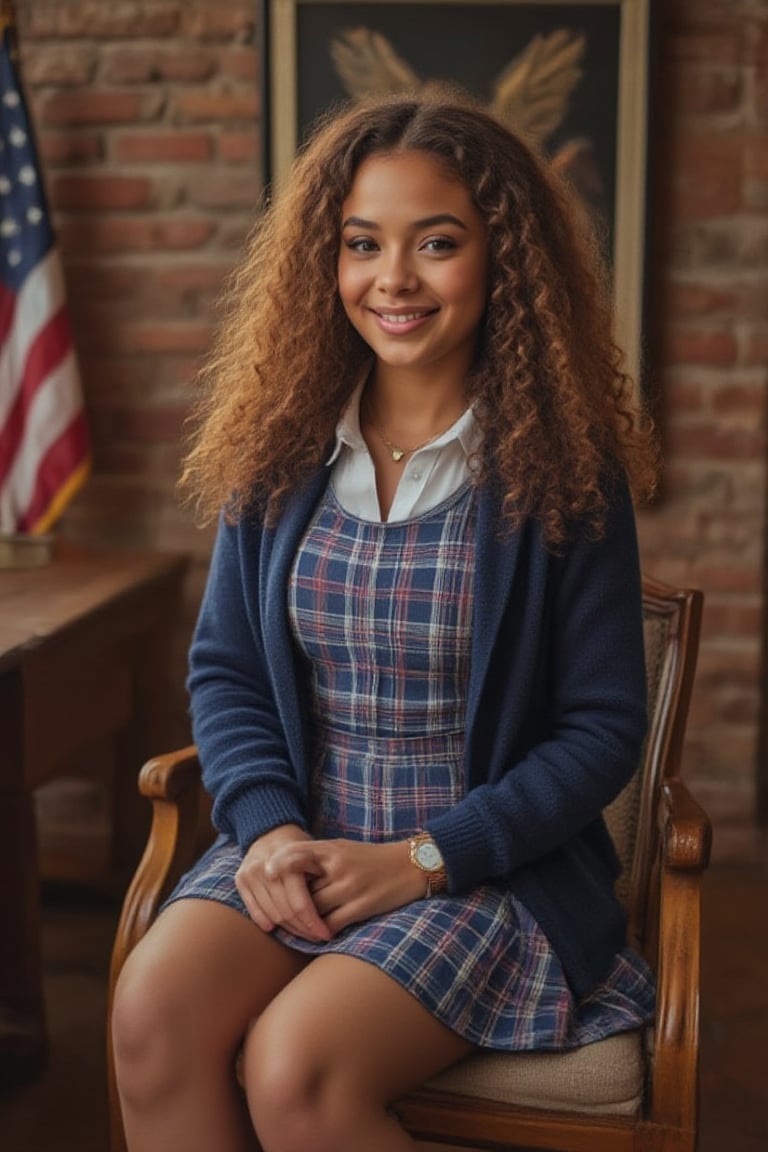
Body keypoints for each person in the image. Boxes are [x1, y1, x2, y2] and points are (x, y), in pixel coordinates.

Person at [111, 88, 659, 1152]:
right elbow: (225, 672)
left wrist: (420, 859)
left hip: (482, 872)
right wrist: (267, 828)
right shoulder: (280, 450)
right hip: (301, 843)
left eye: (437, 243)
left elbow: (600, 730)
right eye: (362, 243)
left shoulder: (562, 468)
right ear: (328, 259)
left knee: (296, 1067)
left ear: (504, 260)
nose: (393, 279)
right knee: (149, 1014)